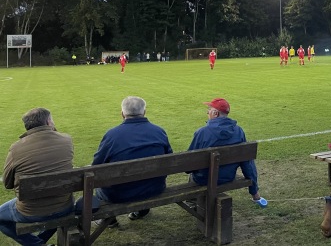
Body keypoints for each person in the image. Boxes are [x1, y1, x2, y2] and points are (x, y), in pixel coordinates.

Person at [92, 96, 172, 227]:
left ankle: (110, 220)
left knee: (100, 189)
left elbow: (96, 167)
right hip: (154, 188)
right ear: (144, 112)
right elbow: (170, 159)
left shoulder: (112, 135)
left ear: (122, 114)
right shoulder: (159, 131)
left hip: (120, 194)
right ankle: (141, 210)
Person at [0, 108, 74, 245]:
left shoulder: (16, 148)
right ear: (48, 122)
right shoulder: (66, 140)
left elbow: (7, 183)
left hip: (32, 211)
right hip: (64, 206)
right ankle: (39, 242)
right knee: (55, 209)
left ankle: (37, 244)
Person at [188, 98, 264, 205]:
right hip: (227, 177)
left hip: (204, 179)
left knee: (192, 176)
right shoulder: (239, 131)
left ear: (215, 113)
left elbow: (189, 164)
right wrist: (254, 192)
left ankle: (193, 202)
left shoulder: (202, 133)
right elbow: (247, 163)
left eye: (209, 109)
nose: (207, 112)